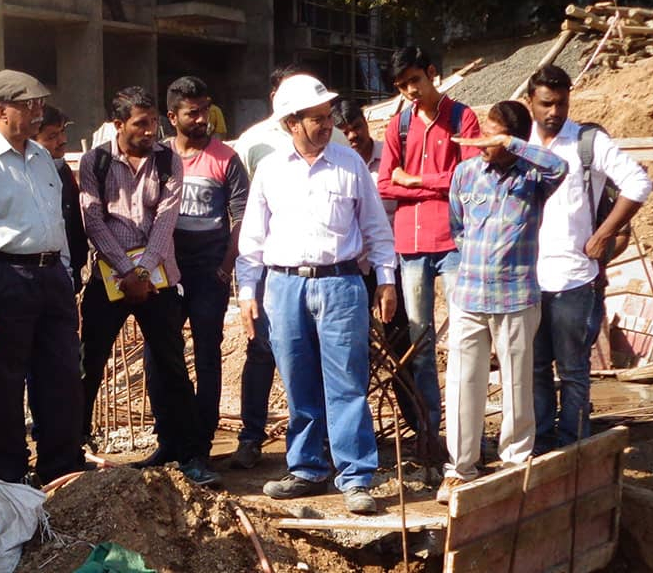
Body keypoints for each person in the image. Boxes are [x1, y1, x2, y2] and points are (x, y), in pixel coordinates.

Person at [236, 74, 398, 515]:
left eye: (328, 117)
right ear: (292, 123)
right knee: (298, 381)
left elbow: (376, 231)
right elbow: (252, 240)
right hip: (284, 285)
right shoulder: (271, 170)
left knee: (347, 382)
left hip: (341, 283)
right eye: (317, 118)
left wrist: (386, 279)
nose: (327, 124)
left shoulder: (350, 167)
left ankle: (355, 475)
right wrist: (247, 292)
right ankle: (307, 467)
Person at [0, 69, 90, 486]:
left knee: (62, 376)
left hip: (51, 277)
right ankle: (10, 478)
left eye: (39, 104)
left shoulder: (42, 158)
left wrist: (65, 273)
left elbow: (57, 222)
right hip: (7, 277)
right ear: (0, 111)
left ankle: (60, 469)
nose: (37, 112)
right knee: (6, 386)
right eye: (28, 105)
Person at [76, 86, 219, 486]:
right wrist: (125, 270)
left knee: (172, 364)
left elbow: (165, 220)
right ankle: (72, 450)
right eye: (141, 123)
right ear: (119, 124)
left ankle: (189, 453)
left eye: (153, 122)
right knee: (90, 363)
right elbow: (93, 221)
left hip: (157, 279)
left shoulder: (167, 160)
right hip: (109, 278)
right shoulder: (96, 161)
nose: (149, 130)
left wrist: (141, 273)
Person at [438, 102, 568, 498]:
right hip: (470, 296)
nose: (481, 143)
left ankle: (514, 460)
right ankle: (460, 468)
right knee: (463, 382)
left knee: (516, 381)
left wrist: (512, 143)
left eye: (490, 137)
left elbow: (559, 167)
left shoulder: (533, 177)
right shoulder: (465, 173)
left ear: (511, 140)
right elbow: (458, 227)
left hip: (516, 296)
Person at [522, 65, 653, 453]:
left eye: (562, 103)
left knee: (574, 372)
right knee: (535, 369)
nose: (554, 112)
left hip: (574, 280)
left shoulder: (587, 142)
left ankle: (573, 448)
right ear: (529, 102)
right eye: (546, 103)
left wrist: (604, 233)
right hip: (527, 279)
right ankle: (543, 446)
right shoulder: (518, 142)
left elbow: (638, 182)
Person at [378, 47, 485, 465]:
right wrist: (438, 184)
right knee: (420, 341)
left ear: (433, 74)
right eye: (402, 85)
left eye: (415, 81)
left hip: (454, 242)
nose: (410, 91)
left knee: (465, 339)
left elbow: (470, 177)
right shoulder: (398, 125)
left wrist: (417, 179)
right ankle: (429, 433)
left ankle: (464, 437)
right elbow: (386, 183)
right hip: (411, 245)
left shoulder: (463, 118)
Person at [164, 76, 250, 465]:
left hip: (208, 273)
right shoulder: (159, 157)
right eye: (192, 113)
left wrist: (227, 264)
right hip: (167, 271)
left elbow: (240, 216)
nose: (202, 119)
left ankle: (201, 443)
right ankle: (169, 439)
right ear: (172, 117)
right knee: (161, 354)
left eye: (205, 110)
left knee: (207, 354)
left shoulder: (227, 158)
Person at [36, 105, 89, 280]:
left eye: (62, 132)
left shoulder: (61, 169)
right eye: (52, 136)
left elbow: (74, 221)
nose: (62, 140)